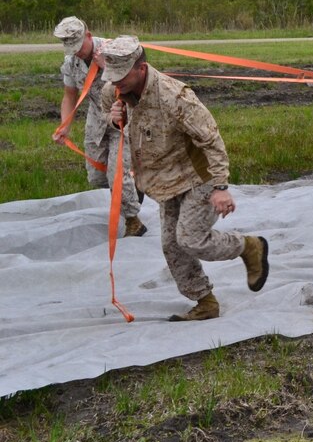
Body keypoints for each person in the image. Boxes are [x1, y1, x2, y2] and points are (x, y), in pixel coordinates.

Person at [100, 36, 269, 321]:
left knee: (190, 239)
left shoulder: (174, 97)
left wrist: (220, 187)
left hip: (196, 178)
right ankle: (205, 302)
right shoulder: (114, 90)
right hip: (164, 182)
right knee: (172, 245)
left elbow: (211, 139)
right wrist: (113, 117)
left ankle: (250, 246)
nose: (116, 83)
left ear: (141, 68)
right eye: (112, 77)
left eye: (122, 76)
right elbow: (110, 114)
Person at [52, 17, 146, 237]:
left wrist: (107, 67)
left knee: (116, 174)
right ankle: (131, 185)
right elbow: (69, 95)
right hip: (97, 119)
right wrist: (65, 124)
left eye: (78, 46)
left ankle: (133, 221)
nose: (76, 52)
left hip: (123, 115)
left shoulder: (114, 50)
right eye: (70, 48)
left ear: (88, 35)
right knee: (96, 176)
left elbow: (137, 83)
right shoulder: (71, 62)